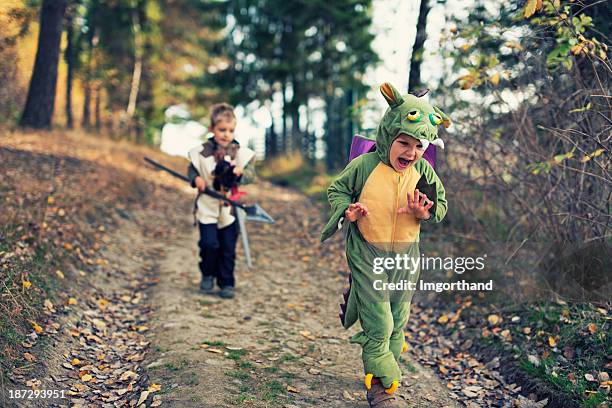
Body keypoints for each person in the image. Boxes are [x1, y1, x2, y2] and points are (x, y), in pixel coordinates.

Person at [321, 83, 450, 407]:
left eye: (419, 145)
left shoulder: (423, 170)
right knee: (381, 320)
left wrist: (426, 211)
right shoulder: (364, 166)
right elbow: (337, 190)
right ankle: (381, 386)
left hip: (406, 255)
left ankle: (382, 366)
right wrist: (346, 210)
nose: (411, 152)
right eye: (403, 142)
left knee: (398, 316)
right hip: (367, 251)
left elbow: (441, 206)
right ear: (388, 134)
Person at [187, 103, 255, 299]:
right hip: (207, 205)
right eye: (222, 130)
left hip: (229, 208)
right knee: (209, 244)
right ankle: (207, 273)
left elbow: (252, 175)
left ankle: (226, 282)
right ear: (212, 129)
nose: (226, 134)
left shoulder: (240, 153)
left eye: (230, 130)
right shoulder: (201, 151)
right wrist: (195, 179)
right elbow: (192, 169)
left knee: (227, 247)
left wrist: (242, 173)